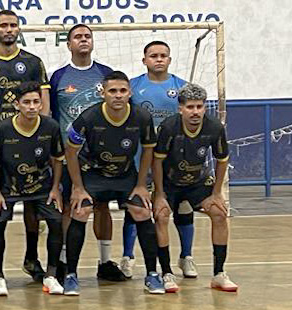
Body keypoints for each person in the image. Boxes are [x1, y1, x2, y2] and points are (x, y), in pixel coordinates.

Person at [63, 71, 163, 296]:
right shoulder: (88, 118)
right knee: (80, 211)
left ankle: (152, 274)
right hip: (92, 174)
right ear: (103, 93)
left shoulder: (142, 117)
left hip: (125, 175)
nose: (118, 96)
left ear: (130, 93)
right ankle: (70, 275)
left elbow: (149, 150)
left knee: (141, 211)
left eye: (122, 91)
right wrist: (78, 188)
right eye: (112, 91)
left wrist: (140, 185)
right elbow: (70, 152)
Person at [0, 10, 51, 283]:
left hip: (34, 146)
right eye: (3, 25)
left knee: (34, 207)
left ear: (19, 29)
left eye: (13, 25)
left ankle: (32, 258)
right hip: (1, 146)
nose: (8, 29)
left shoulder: (33, 62)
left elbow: (45, 105)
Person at [48, 24, 123, 282]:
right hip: (72, 156)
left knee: (102, 206)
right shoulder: (58, 77)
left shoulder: (105, 74)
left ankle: (105, 262)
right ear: (68, 44)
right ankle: (66, 263)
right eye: (77, 37)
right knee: (71, 207)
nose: (83, 40)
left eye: (87, 36)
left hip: (101, 155)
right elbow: (52, 116)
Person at [152, 83, 237, 292]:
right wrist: (160, 194)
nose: (195, 112)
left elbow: (222, 160)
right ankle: (166, 273)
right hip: (170, 184)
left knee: (219, 214)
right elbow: (156, 162)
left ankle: (219, 273)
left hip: (198, 183)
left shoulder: (214, 127)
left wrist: (217, 193)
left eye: (199, 106)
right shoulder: (168, 127)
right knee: (161, 215)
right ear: (180, 108)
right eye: (190, 107)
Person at [0, 82, 65, 296]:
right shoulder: (3, 129)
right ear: (16, 104)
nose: (32, 107)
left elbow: (58, 159)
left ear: (41, 104)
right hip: (8, 186)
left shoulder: (51, 127)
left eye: (36, 102)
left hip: (42, 186)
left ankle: (51, 275)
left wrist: (55, 188)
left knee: (57, 221)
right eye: (27, 102)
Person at [121, 41, 189, 279]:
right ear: (144, 60)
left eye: (163, 55)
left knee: (180, 206)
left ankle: (186, 257)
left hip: (173, 159)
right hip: (139, 157)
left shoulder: (181, 88)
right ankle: (128, 257)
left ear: (169, 60)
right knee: (135, 206)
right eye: (153, 55)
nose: (158, 59)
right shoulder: (132, 87)